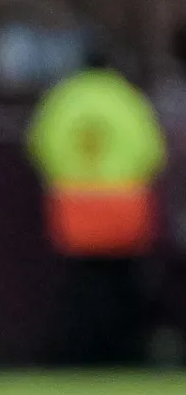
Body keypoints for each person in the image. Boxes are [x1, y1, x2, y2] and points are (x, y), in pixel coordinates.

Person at [26, 57, 165, 364]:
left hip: (75, 206)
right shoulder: (127, 97)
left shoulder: (64, 97)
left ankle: (81, 354)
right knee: (123, 285)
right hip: (124, 206)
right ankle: (126, 354)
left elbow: (40, 146)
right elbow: (153, 152)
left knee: (82, 286)